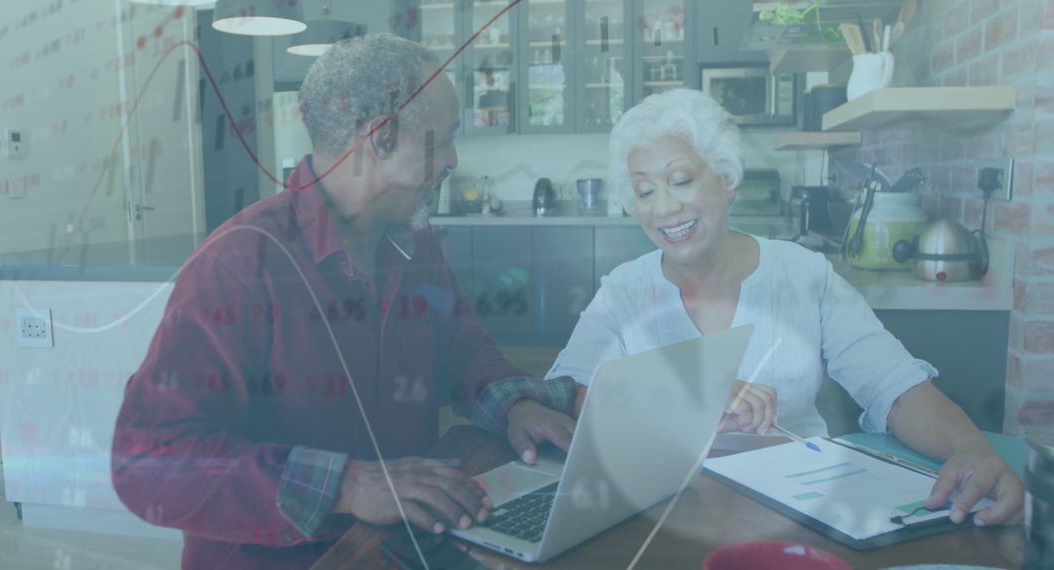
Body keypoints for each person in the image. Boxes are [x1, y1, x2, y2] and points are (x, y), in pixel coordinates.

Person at [111, 34, 577, 570]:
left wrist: (516, 404)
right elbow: (146, 461)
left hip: (400, 544)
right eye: (443, 140)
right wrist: (348, 485)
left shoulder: (414, 240)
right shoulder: (237, 265)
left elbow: (461, 349)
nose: (452, 160)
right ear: (380, 140)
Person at [546, 88, 1023, 526]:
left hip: (796, 513)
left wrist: (969, 447)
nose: (664, 208)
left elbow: (894, 387)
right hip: (661, 516)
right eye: (645, 191)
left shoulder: (803, 274)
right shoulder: (624, 290)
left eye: (681, 180)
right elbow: (566, 395)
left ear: (727, 177)